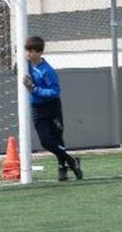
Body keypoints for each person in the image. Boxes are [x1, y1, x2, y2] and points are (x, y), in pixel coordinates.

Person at [22, 35, 83, 181]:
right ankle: (71, 160)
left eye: (32, 51)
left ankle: (62, 167)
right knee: (45, 141)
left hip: (52, 107)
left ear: (40, 53)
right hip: (37, 109)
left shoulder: (47, 70)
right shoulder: (25, 65)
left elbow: (54, 91)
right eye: (27, 50)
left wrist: (34, 89)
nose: (28, 54)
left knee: (57, 138)